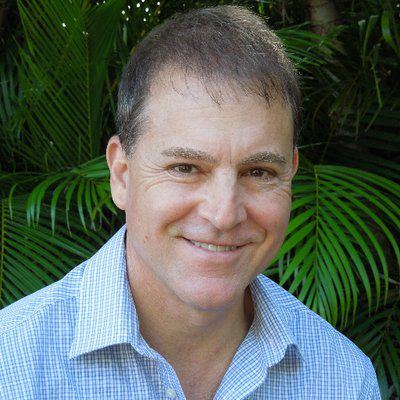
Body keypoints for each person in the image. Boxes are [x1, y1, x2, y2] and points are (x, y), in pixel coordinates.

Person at [0, 5, 380, 400]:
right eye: (185, 167)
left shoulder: (343, 378)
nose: (223, 214)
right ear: (121, 175)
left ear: (291, 174)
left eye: (259, 172)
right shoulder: (12, 366)